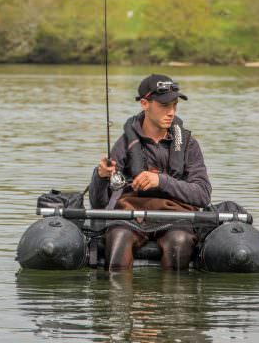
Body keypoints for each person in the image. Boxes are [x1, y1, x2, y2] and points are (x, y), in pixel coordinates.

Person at [89, 73, 211, 270]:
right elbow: (98, 203)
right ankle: (118, 298)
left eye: (174, 105)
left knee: (179, 241)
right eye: (164, 106)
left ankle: (174, 298)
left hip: (176, 217)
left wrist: (161, 181)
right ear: (144, 104)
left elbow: (203, 195)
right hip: (131, 216)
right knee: (118, 236)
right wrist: (101, 176)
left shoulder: (188, 144)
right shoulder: (124, 144)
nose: (171, 112)